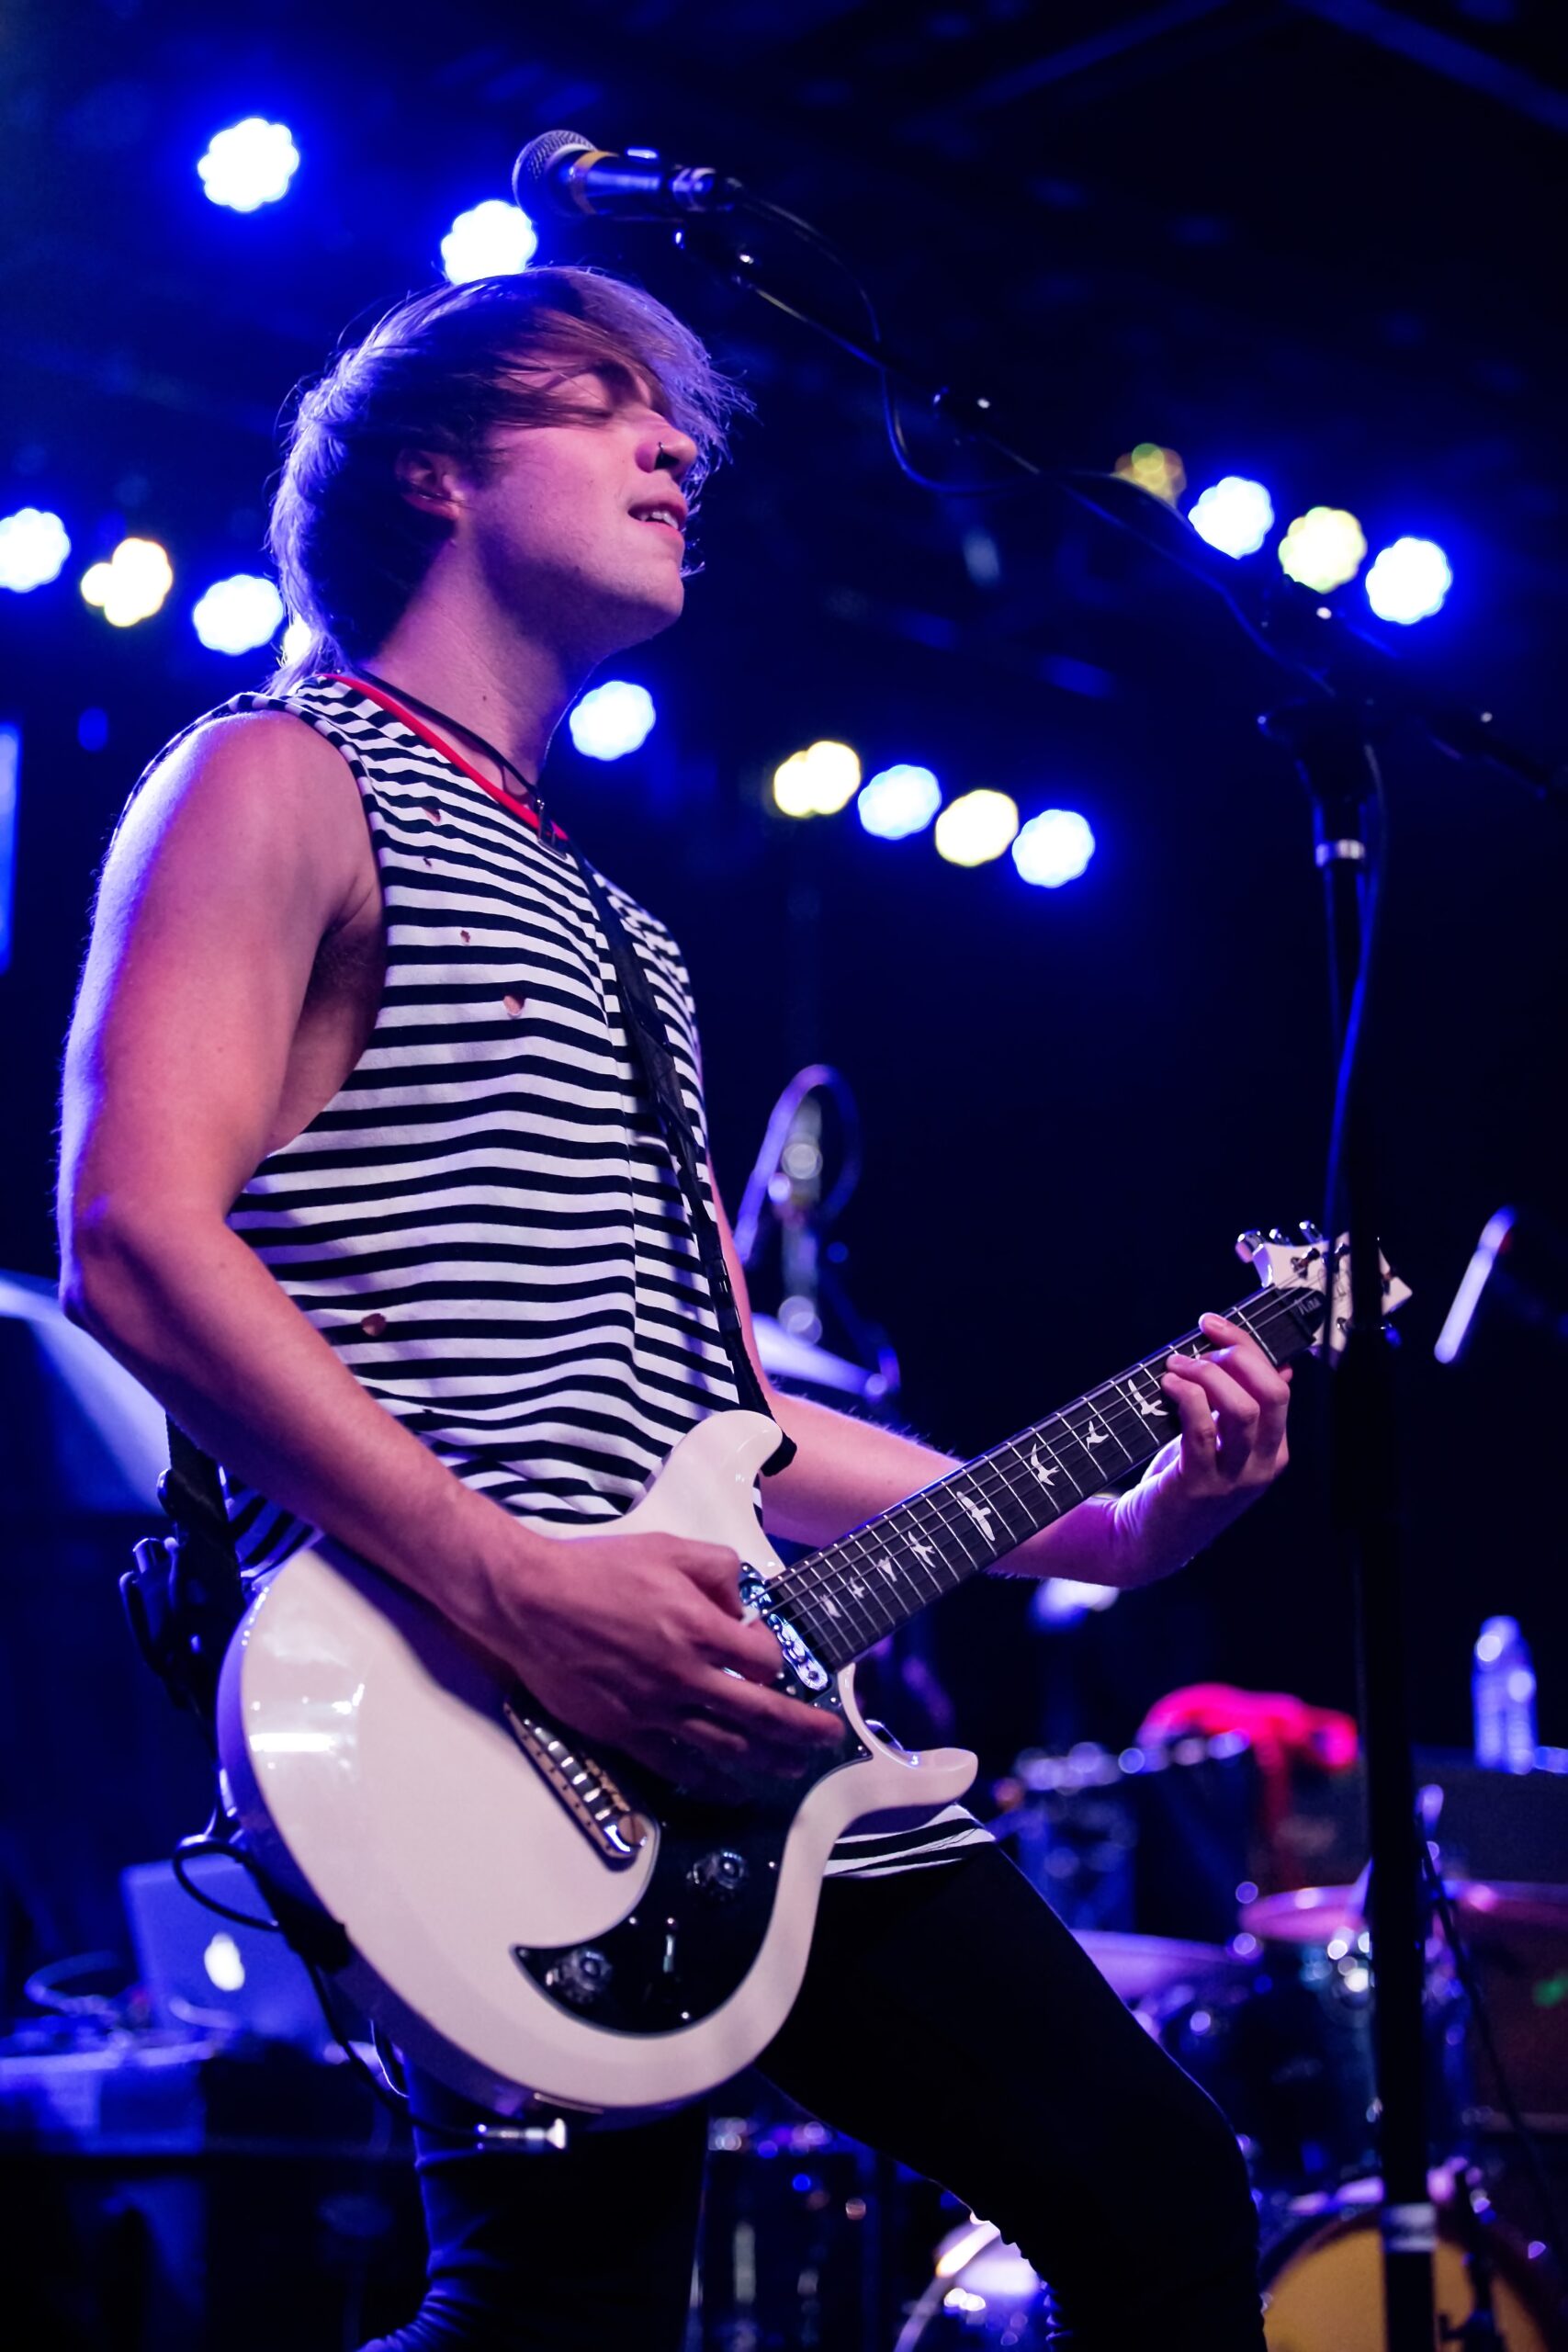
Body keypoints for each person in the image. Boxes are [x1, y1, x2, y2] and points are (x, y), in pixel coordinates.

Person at [57, 266, 1292, 2348]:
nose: (676, 447)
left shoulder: (630, 933)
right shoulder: (275, 772)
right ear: (433, 469)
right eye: (605, 400)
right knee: (565, 2305)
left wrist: (1113, 1523)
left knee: (1144, 2195)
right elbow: (133, 1237)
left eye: (682, 423)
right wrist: (516, 1586)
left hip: (730, 1718)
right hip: (449, 1688)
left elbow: (734, 1417)